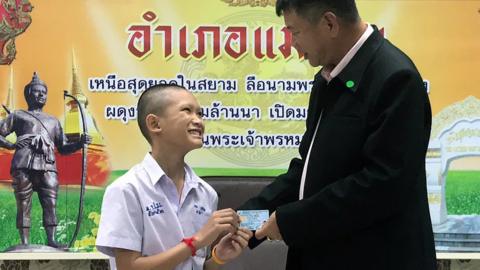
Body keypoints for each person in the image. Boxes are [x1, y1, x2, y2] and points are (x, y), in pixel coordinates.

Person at [239, 0, 437, 269]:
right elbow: (307, 169)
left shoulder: (395, 78)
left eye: (294, 32)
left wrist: (290, 220)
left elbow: (381, 185)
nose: (291, 44)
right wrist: (245, 221)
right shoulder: (328, 78)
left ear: (330, 23)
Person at [96, 84, 252, 270]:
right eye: (187, 111)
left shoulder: (205, 193)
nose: (198, 121)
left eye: (200, 114)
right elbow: (128, 267)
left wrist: (218, 258)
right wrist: (196, 241)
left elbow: (194, 266)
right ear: (155, 124)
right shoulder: (127, 189)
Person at [0, 72, 91, 248]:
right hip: (23, 163)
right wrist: (11, 145)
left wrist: (80, 143)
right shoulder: (18, 116)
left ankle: (52, 239)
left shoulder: (53, 121)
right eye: (37, 91)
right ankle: (24, 242)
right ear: (28, 94)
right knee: (24, 202)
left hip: (48, 164)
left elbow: (63, 147)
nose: (41, 94)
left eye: (44, 92)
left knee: (50, 202)